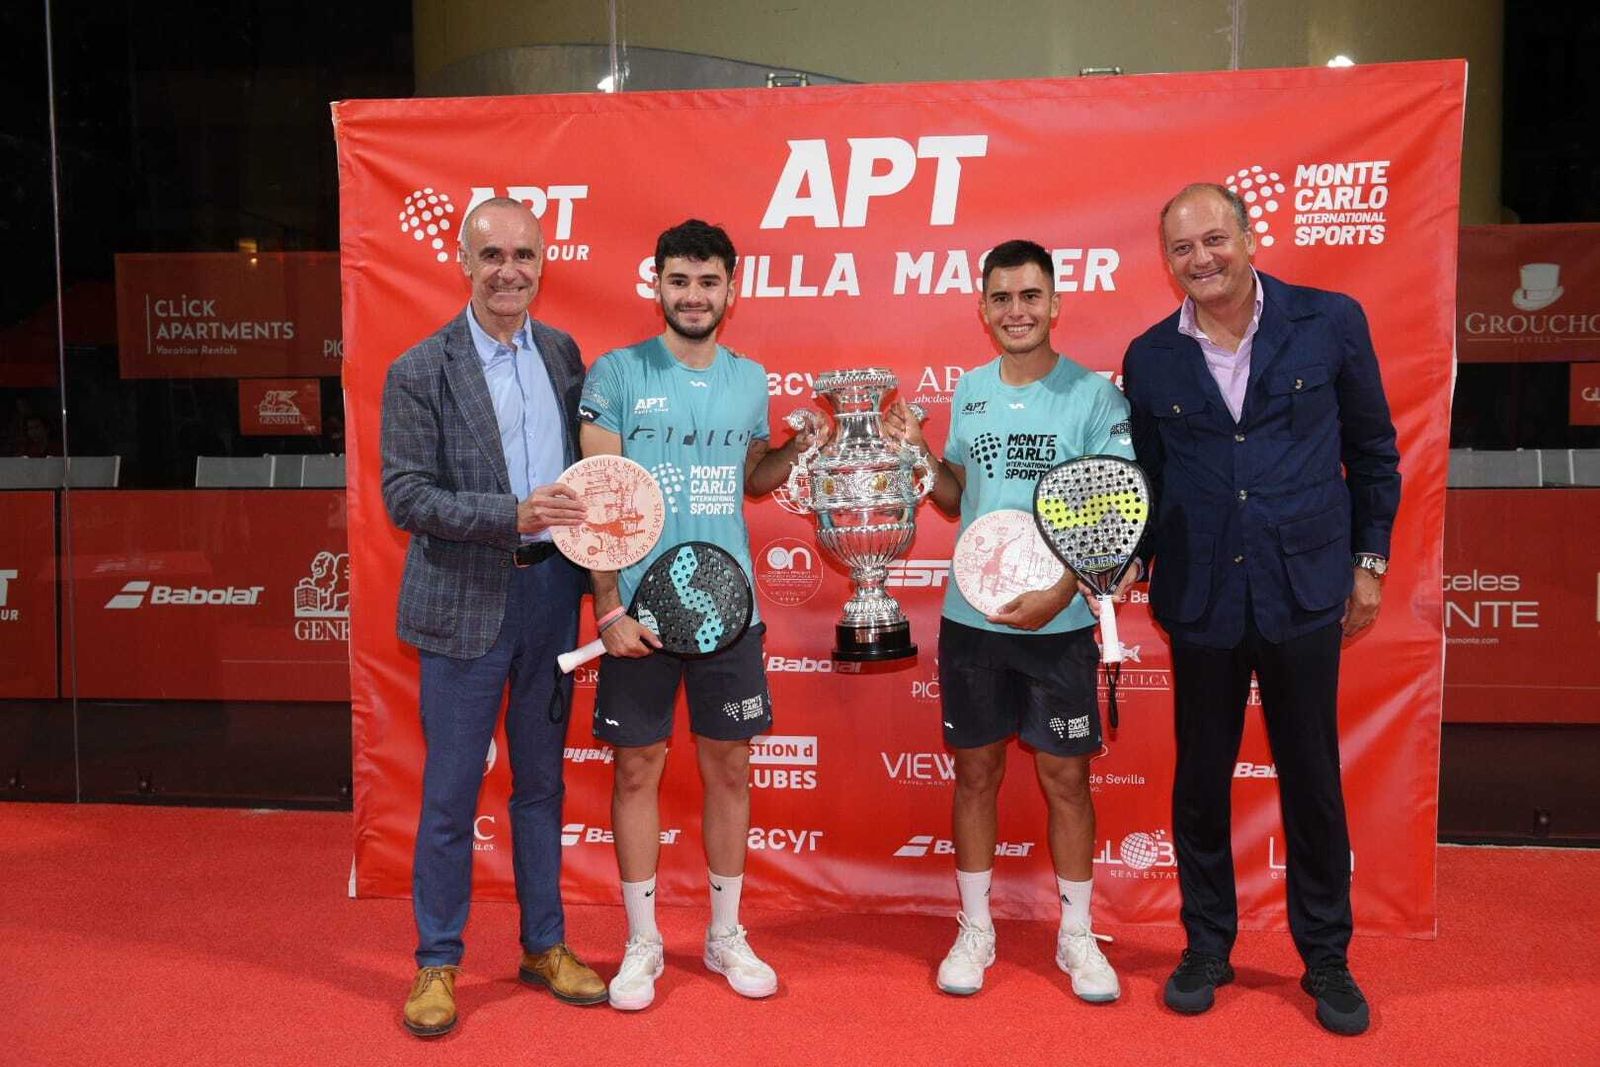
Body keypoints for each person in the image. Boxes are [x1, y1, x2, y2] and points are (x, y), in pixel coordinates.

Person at [1120, 183, 1400, 1036]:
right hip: (1201, 593)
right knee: (1201, 778)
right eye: (1182, 248)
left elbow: (1373, 450)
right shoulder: (1149, 356)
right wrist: (1128, 555)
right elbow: (1150, 478)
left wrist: (1370, 562)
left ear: (1248, 237)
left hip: (1305, 587)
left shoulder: (1331, 320)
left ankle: (1327, 955)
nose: (1200, 259)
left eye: (1214, 239)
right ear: (1167, 260)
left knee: (1312, 774)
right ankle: (1207, 943)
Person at [381, 197, 607, 1038]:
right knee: (450, 791)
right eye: (492, 255)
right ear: (464, 263)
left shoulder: (563, 353)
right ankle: (437, 959)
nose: (508, 270)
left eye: (523, 254)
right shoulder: (419, 369)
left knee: (542, 784)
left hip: (551, 598)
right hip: (464, 601)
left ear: (542, 263)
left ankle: (544, 944)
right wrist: (511, 515)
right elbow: (405, 496)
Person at [884, 238, 1128, 1003]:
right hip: (975, 619)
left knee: (1066, 778)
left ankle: (1077, 933)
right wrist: (920, 454)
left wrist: (1060, 592)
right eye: (1002, 298)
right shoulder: (971, 390)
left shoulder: (1095, 396)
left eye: (1030, 296)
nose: (1016, 311)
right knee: (976, 773)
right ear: (983, 309)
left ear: (1055, 303)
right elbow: (958, 496)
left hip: (1060, 621)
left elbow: (1111, 514)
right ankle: (975, 926)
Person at [577, 219, 810, 1011]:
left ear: (730, 290)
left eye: (708, 282)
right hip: (639, 611)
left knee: (730, 769)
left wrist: (800, 446)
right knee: (637, 768)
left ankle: (724, 933)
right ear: (658, 286)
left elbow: (753, 477)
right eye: (679, 280)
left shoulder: (750, 380)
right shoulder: (616, 373)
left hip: (729, 611)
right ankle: (643, 941)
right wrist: (608, 606)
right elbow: (598, 494)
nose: (693, 295)